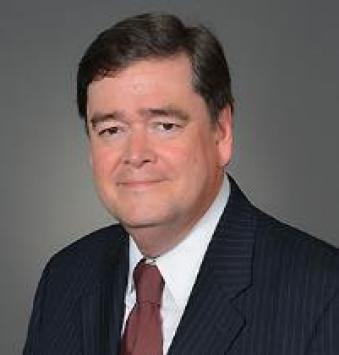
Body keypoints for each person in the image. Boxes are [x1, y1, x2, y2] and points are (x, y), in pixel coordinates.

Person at [23, 13, 339, 355]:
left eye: (164, 125)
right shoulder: (65, 278)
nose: (136, 155)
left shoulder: (323, 295)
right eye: (112, 130)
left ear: (221, 132)